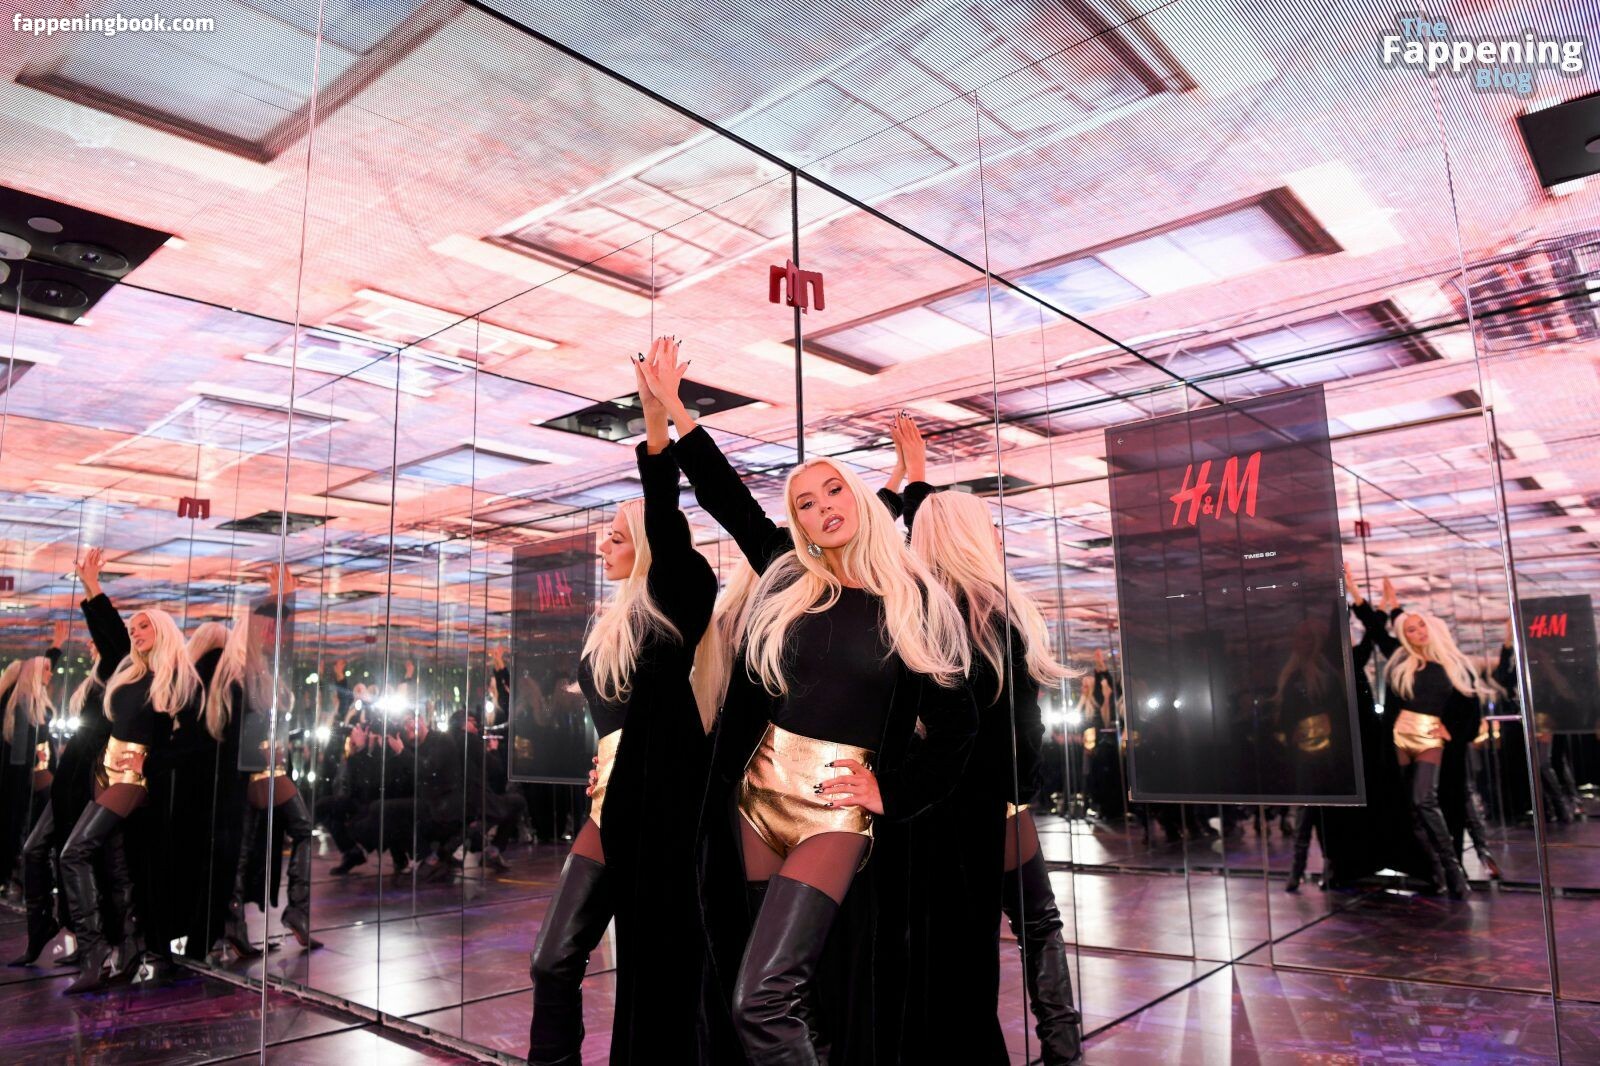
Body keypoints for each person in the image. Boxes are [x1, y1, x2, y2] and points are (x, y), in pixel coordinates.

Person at [638, 336, 977, 1065]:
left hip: (835, 805)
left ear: (859, 498)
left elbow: (958, 726)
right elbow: (727, 499)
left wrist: (892, 790)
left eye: (833, 492)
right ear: (798, 524)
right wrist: (677, 415)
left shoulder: (913, 601)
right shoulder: (790, 578)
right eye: (805, 503)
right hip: (757, 795)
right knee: (792, 992)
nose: (823, 507)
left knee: (760, 997)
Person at [526, 339, 717, 1066]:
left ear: (649, 547)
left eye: (615, 538)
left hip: (666, 801)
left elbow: (665, 521)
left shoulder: (680, 593)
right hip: (613, 797)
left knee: (660, 965)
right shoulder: (610, 622)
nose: (602, 548)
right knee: (553, 959)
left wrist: (658, 425)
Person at [897, 423, 1082, 1066]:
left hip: (946, 804)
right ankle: (1062, 1049)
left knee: (961, 942)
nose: (1000, 536)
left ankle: (1056, 1048)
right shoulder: (998, 614)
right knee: (1036, 925)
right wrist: (1020, 792)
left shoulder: (924, 613)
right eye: (990, 527)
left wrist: (917, 479)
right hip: (993, 802)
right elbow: (1024, 727)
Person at [59, 547, 202, 993]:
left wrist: (150, 761)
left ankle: (94, 950)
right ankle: (130, 946)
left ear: (163, 632)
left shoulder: (178, 678)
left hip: (134, 779)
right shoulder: (130, 670)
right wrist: (91, 586)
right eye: (133, 627)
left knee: (73, 853)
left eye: (144, 626)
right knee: (118, 868)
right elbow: (108, 631)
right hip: (105, 772)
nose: (135, 632)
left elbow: (194, 744)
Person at [1387, 610, 1488, 900]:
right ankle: (1436, 871)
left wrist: (1452, 729)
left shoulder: (1453, 663)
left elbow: (1470, 706)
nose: (1419, 632)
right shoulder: (1402, 664)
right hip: (1401, 735)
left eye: (1421, 625)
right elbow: (1393, 705)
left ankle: (1453, 870)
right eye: (1411, 630)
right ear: (1404, 636)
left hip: (1430, 736)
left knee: (1424, 799)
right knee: (1410, 809)